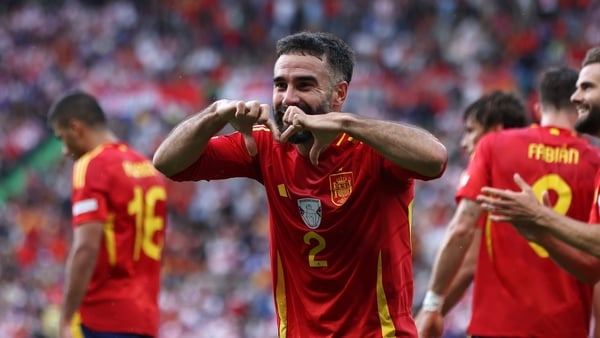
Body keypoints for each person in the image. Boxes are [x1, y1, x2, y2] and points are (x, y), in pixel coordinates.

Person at [152, 31, 448, 337]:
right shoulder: (266, 144)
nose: (288, 98)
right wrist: (216, 113)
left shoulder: (372, 148)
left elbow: (435, 158)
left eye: (304, 85)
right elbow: (168, 162)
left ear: (339, 94)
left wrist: (346, 123)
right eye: (280, 85)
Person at [416, 66, 600, 338]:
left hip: (496, 326)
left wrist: (432, 305)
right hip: (565, 328)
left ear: (538, 108)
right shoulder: (595, 163)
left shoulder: (495, 146)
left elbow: (462, 229)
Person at [48, 91, 168, 338]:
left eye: (62, 138)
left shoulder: (92, 165)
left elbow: (86, 248)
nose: (64, 150)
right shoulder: (148, 169)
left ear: (76, 127)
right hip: (144, 319)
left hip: (102, 317)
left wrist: (66, 318)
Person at [417, 90, 530, 328]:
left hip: (503, 319)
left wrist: (429, 312)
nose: (464, 143)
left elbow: (469, 260)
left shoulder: (491, 175)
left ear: (496, 132)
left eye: (470, 131)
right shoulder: (540, 172)